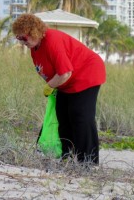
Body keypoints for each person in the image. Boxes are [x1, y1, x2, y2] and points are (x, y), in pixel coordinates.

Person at [12, 13, 106, 165]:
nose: (22, 42)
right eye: (19, 38)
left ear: (34, 32)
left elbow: (65, 72)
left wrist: (50, 86)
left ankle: (88, 161)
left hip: (87, 73)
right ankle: (66, 156)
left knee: (80, 116)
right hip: (66, 81)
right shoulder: (35, 47)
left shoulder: (52, 41)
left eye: (24, 38)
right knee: (62, 116)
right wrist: (52, 85)